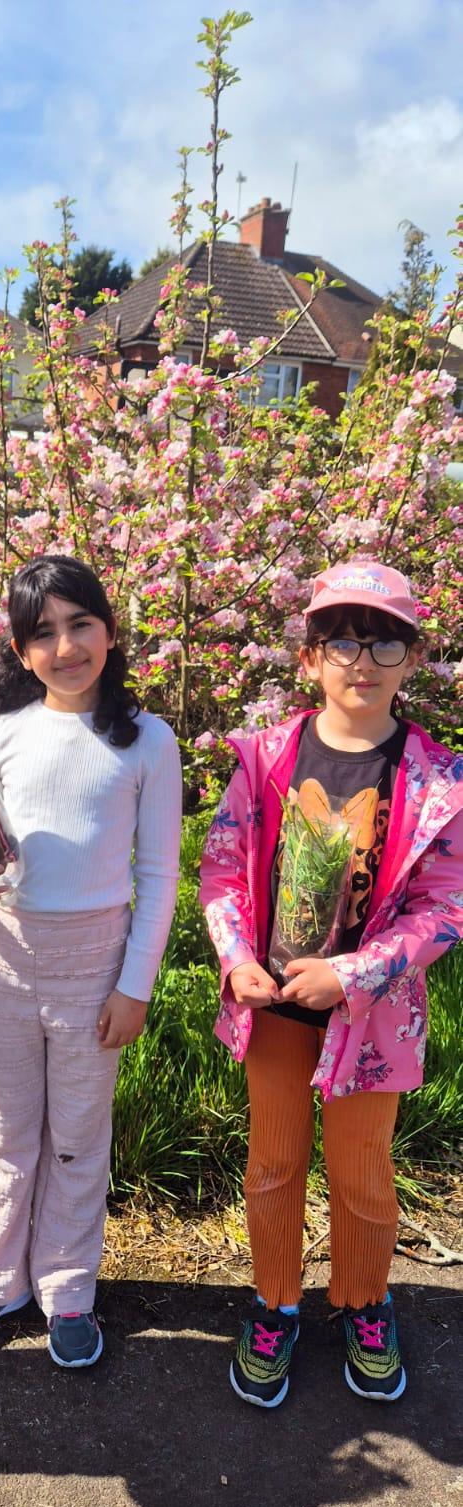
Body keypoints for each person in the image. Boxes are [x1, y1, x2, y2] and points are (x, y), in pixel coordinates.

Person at [199, 561, 463, 1409]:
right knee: (274, 1163)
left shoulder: (437, 781)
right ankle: (274, 1300)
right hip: (271, 1008)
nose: (363, 658)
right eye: (341, 639)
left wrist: (351, 972)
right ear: (310, 659)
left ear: (410, 660)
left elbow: (445, 907)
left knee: (362, 1170)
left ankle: (361, 1299)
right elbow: (222, 871)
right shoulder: (267, 757)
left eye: (384, 639)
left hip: (373, 1017)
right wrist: (240, 956)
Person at [0, 555, 182, 1367]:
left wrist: (134, 986)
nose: (65, 647)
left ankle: (68, 1285)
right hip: (3, 959)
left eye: (80, 624)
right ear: (20, 649)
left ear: (109, 630)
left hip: (95, 966)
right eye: (43, 634)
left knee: (76, 1131)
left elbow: (158, 873)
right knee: (1, 1125)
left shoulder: (146, 740)